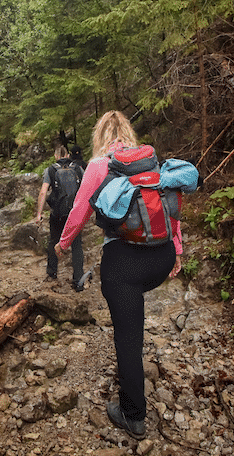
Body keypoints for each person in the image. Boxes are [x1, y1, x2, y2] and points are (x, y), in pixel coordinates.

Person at [54, 111, 182, 439]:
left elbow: (80, 210)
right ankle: (133, 379)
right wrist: (177, 252)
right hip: (161, 257)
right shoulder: (148, 161)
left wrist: (63, 244)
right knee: (133, 307)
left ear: (101, 136)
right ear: (128, 133)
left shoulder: (99, 165)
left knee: (127, 337)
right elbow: (170, 209)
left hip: (124, 264)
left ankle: (133, 415)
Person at [36, 145, 84, 289]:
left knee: (53, 241)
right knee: (77, 245)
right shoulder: (77, 169)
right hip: (74, 214)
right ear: (68, 155)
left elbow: (43, 192)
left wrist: (39, 214)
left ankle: (52, 274)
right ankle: (78, 281)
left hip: (57, 213)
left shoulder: (50, 170)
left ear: (56, 155)